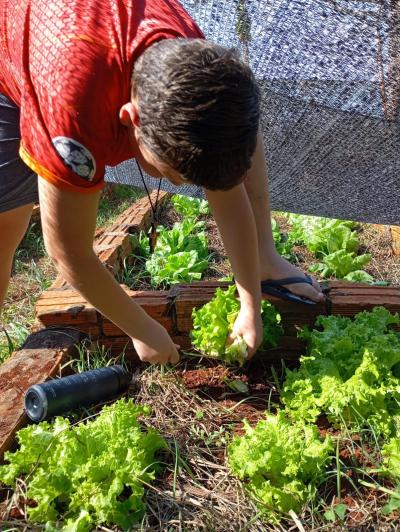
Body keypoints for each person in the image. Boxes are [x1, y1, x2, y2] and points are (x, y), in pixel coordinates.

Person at [0, 0, 323, 365]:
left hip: (88, 40)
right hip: (17, 45)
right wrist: (143, 329)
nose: (185, 185)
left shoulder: (202, 74)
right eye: (174, 175)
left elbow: (227, 189)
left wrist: (250, 304)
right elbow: (68, 251)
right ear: (131, 119)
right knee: (6, 224)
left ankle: (265, 261)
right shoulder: (74, 116)